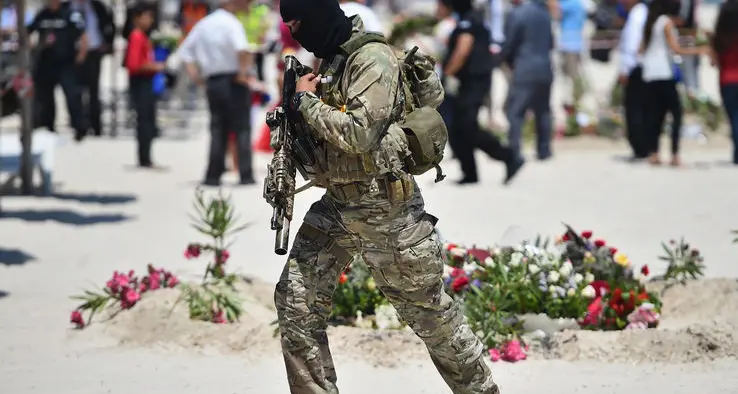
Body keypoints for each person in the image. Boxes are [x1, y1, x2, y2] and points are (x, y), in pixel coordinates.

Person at [274, 0, 500, 392]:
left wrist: (304, 102)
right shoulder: (332, 60)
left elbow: (360, 134)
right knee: (296, 302)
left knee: (433, 320)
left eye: (298, 22)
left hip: (388, 211)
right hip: (339, 208)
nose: (296, 32)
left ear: (320, 15)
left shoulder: (372, 59)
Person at [443, 0, 523, 184]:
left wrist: (446, 74)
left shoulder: (468, 21)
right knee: (458, 128)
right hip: (469, 82)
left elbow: (463, 50)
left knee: (467, 126)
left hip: (475, 82)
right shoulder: (469, 18)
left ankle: (508, 156)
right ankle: (470, 173)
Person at [177, 0, 256, 186]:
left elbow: (185, 53)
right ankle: (245, 174)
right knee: (242, 128)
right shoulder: (231, 23)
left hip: (213, 81)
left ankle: (213, 175)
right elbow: (242, 50)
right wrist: (243, 74)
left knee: (217, 129)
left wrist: (198, 78)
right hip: (233, 80)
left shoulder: (203, 24)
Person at [640, 0, 706, 166]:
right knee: (676, 114)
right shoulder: (666, 23)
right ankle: (674, 154)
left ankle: (654, 152)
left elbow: (641, 49)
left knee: (655, 115)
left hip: (650, 73)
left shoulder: (651, 22)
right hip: (664, 73)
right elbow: (675, 49)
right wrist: (699, 50)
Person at [501, 0, 554, 161]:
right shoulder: (545, 14)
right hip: (545, 66)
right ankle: (544, 150)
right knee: (543, 110)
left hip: (524, 66)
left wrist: (506, 60)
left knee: (516, 111)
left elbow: (509, 43)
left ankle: (514, 149)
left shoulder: (517, 14)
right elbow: (551, 42)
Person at [28, 0, 88, 141]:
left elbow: (83, 36)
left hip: (66, 63)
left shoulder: (70, 15)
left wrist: (81, 56)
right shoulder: (42, 15)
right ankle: (48, 126)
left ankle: (79, 127)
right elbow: (29, 31)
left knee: (72, 96)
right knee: (46, 97)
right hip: (46, 63)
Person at [68, 0, 115, 138]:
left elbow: (108, 25)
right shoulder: (68, 7)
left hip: (94, 51)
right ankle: (79, 125)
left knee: (93, 91)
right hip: (73, 54)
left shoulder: (98, 7)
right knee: (75, 91)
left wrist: (107, 43)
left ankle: (96, 126)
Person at [125, 3, 165, 168]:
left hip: (146, 82)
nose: (149, 20)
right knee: (144, 120)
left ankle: (146, 156)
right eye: (146, 17)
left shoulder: (144, 36)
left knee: (149, 119)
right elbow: (134, 64)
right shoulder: (136, 36)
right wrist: (155, 66)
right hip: (140, 83)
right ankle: (144, 158)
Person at [618, 0, 649, 160]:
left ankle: (640, 147)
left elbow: (632, 47)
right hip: (641, 68)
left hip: (635, 69)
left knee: (634, 109)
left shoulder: (637, 16)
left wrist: (624, 70)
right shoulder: (640, 14)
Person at [709, 0, 738, 165]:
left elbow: (715, 62)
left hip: (727, 80)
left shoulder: (720, 37)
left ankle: (737, 152)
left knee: (733, 117)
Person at [553, 0, 587, 106]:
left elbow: (554, 13)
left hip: (569, 44)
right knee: (572, 73)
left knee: (571, 74)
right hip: (575, 43)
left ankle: (574, 99)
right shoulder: (578, 3)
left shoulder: (569, 3)